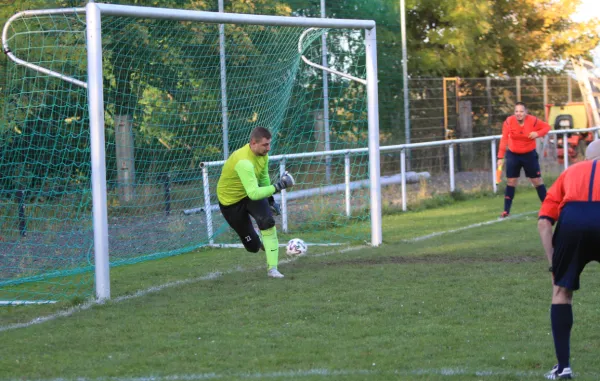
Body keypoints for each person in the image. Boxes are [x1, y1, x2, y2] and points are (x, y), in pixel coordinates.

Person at [537, 139, 600, 379]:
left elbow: (544, 223)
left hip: (573, 220)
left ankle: (563, 367)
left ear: (586, 158)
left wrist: (555, 265)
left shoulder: (570, 172)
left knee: (561, 291)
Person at [216, 127, 295, 278]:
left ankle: (273, 269)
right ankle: (258, 240)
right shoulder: (244, 162)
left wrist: (270, 200)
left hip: (250, 194)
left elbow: (263, 178)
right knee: (252, 246)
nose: (269, 148)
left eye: (269, 144)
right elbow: (253, 192)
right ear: (253, 143)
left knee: (268, 222)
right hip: (231, 203)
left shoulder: (263, 155)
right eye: (265, 145)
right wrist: (279, 186)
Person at [497, 102, 551, 218]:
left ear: (526, 112)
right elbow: (504, 139)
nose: (519, 114)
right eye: (516, 111)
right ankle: (506, 211)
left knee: (537, 181)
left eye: (521, 111)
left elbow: (547, 127)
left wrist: (537, 133)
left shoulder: (533, 120)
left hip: (529, 155)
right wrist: (500, 157)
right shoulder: (508, 122)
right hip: (513, 154)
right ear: (514, 113)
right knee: (511, 181)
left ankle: (548, 208)